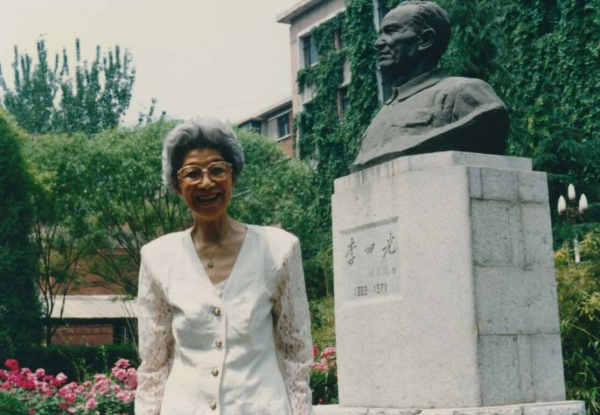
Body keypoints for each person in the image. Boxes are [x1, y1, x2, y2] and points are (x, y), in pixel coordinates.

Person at [135, 117, 315, 415]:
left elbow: (295, 354)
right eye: (192, 173)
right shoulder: (157, 257)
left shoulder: (279, 250)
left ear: (233, 175)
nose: (206, 182)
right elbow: (154, 365)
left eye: (217, 169)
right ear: (177, 184)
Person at [352, 0, 509, 171]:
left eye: (391, 31)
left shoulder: (461, 90)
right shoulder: (382, 113)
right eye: (381, 33)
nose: (378, 43)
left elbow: (489, 125)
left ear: (425, 40)